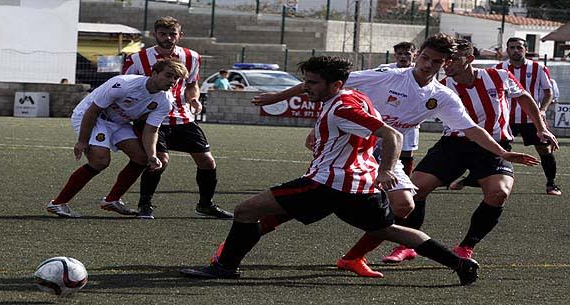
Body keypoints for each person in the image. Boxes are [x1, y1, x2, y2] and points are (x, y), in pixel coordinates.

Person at [246, 33, 539, 277]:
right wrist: (277, 96)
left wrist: (502, 152)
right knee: (315, 202)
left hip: (387, 152)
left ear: (445, 63)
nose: (428, 65)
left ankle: (352, 258)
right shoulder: (386, 76)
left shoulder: (443, 96)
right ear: (418, 55)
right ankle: (247, 236)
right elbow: (328, 81)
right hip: (349, 149)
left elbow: (471, 129)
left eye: (436, 61)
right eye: (424, 58)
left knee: (403, 206)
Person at [180, 56, 480, 286]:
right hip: (360, 187)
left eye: (312, 83)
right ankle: (459, 264)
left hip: (327, 183)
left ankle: (225, 267)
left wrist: (388, 169)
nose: (306, 87)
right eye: (306, 81)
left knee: (246, 210)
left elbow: (392, 135)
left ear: (335, 85)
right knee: (387, 230)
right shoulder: (353, 98)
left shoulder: (343, 107)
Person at [405, 39, 557, 261]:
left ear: (470, 60)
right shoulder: (441, 87)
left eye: (453, 59)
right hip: (454, 145)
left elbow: (524, 97)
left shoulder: (499, 76)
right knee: (414, 190)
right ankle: (409, 244)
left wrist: (541, 128)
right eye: (445, 60)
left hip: (495, 146)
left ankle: (466, 246)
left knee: (499, 193)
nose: (447, 64)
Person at [46, 60, 188, 218]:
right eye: (168, 75)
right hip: (91, 116)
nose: (172, 81)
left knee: (141, 159)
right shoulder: (123, 85)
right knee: (100, 161)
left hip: (119, 122)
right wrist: (82, 141)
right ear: (154, 73)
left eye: (176, 78)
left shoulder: (165, 101)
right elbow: (92, 111)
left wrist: (152, 155)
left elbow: (151, 130)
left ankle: (112, 200)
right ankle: (58, 203)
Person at [122, 16, 233, 219]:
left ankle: (205, 205)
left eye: (172, 34)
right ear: (154, 34)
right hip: (151, 118)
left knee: (207, 162)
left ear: (180, 35)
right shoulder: (137, 58)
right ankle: (145, 205)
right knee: (160, 160)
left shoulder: (192, 57)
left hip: (182, 117)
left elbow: (192, 84)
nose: (168, 38)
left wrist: (194, 100)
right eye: (163, 34)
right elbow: (125, 84)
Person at [496, 37, 561, 196]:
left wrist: (542, 110)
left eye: (519, 47)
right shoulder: (498, 68)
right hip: (506, 118)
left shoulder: (538, 67)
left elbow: (548, 92)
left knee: (544, 149)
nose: (516, 50)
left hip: (532, 118)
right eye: (512, 47)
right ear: (507, 50)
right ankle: (478, 180)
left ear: (526, 49)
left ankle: (551, 184)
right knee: (496, 150)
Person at [377, 41, 418, 176]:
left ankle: (405, 179)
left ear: (414, 55)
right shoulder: (385, 69)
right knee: (379, 150)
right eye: (400, 54)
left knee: (406, 151)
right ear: (395, 56)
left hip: (409, 118)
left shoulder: (420, 71)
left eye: (407, 53)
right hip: (386, 117)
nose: (403, 57)